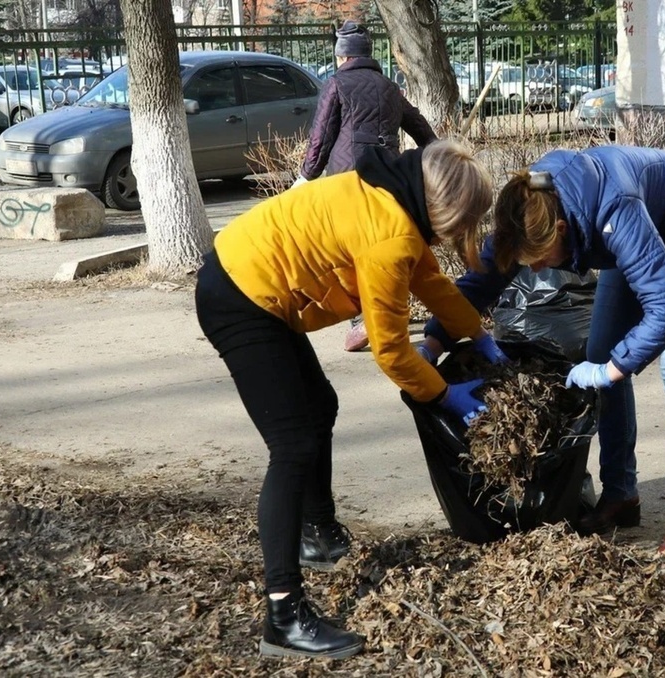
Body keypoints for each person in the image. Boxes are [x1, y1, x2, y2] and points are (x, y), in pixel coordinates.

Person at [195, 139, 508, 659]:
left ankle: (317, 533)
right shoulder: (390, 234)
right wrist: (443, 394)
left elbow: (431, 282)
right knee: (292, 445)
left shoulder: (391, 195)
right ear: (449, 211)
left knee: (320, 407)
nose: (459, 234)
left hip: (248, 277)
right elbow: (390, 350)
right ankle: (283, 617)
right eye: (463, 223)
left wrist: (478, 336)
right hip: (241, 297)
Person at [421, 145, 665, 562]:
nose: (534, 271)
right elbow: (480, 284)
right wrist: (433, 342)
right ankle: (621, 494)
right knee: (600, 350)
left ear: (562, 229)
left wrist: (613, 370)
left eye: (538, 261)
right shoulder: (525, 208)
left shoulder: (615, 210)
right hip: (637, 236)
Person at [298, 19, 439, 354]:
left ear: (342, 56)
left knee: (348, 251)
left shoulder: (336, 84)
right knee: (384, 247)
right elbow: (420, 127)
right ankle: (390, 309)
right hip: (388, 179)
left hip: (347, 181)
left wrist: (307, 174)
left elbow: (321, 137)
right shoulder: (389, 87)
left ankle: (363, 318)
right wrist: (436, 156)